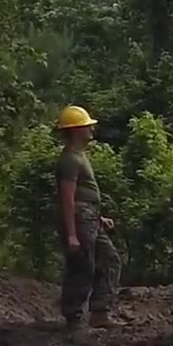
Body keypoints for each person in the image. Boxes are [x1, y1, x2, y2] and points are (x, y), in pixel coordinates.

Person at [53, 105, 122, 332]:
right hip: (80, 220)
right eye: (86, 127)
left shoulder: (79, 157)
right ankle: (73, 317)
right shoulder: (70, 160)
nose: (91, 129)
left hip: (89, 218)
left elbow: (82, 196)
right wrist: (72, 233)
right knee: (82, 266)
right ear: (74, 131)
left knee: (110, 259)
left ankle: (100, 312)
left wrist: (98, 217)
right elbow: (67, 198)